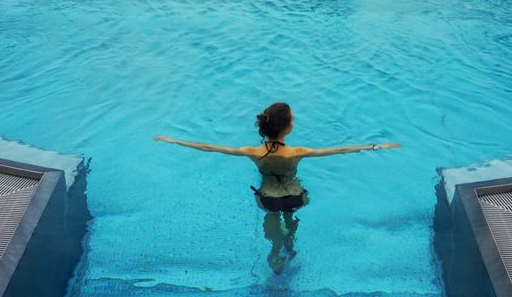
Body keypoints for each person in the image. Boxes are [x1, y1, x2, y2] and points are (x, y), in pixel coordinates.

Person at [154, 102, 400, 273]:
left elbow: (210, 147)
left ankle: (275, 253)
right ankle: (290, 247)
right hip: (295, 196)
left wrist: (174, 140)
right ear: (287, 127)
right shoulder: (297, 152)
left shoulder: (254, 152)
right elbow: (340, 150)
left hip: (269, 198)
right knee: (291, 220)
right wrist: (377, 147)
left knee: (272, 221)